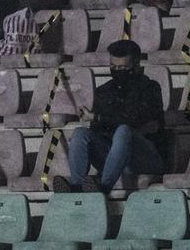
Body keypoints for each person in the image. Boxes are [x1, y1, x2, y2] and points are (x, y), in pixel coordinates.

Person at [53, 41, 165, 194]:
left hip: (145, 158)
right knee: (80, 133)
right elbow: (97, 130)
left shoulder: (150, 88)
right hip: (113, 156)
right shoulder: (104, 91)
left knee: (124, 130)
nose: (117, 71)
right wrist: (98, 120)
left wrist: (99, 117)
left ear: (136, 65)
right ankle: (76, 187)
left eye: (123, 68)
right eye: (113, 67)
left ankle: (104, 188)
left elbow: (134, 119)